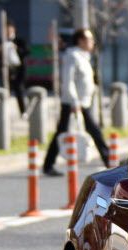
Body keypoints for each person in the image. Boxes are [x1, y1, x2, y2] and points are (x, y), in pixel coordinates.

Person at [42, 28, 110, 176]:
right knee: (92, 130)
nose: (92, 42)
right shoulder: (72, 56)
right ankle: (109, 160)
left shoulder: (84, 56)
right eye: (89, 39)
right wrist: (74, 102)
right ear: (80, 40)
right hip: (74, 103)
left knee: (64, 131)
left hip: (82, 102)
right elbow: (68, 81)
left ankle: (48, 164)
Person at [0, 23, 29, 115]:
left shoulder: (19, 40)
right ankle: (3, 113)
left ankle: (23, 111)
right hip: (4, 69)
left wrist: (16, 48)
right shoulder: (0, 41)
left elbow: (26, 52)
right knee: (3, 91)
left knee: (19, 90)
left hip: (18, 70)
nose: (8, 31)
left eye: (9, 29)